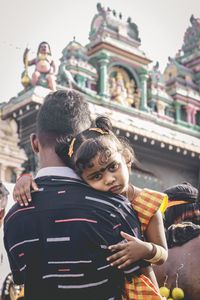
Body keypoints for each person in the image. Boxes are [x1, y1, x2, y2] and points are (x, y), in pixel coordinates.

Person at [13, 110, 168, 299]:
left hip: (140, 289)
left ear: (126, 157)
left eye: (113, 167)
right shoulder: (93, 201)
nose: (109, 179)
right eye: (96, 176)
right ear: (82, 180)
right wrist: (25, 178)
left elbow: (163, 255)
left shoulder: (147, 202)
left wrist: (145, 249)